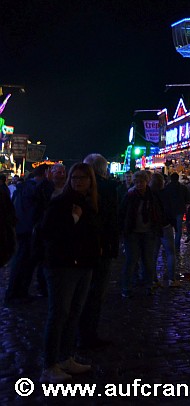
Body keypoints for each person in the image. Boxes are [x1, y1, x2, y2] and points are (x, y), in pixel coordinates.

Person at [37, 162, 100, 383]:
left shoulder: (89, 202)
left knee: (74, 313)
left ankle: (65, 357)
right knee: (59, 314)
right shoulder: (61, 202)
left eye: (83, 178)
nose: (78, 181)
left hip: (83, 264)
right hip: (62, 265)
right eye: (75, 178)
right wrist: (72, 220)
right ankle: (49, 365)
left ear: (91, 181)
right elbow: (47, 232)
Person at [78, 153, 119, 350]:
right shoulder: (109, 189)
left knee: (83, 291)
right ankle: (88, 334)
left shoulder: (80, 189)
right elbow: (112, 220)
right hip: (101, 246)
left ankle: (78, 333)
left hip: (82, 246)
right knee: (95, 293)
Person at [5, 165, 50, 303]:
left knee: (23, 261)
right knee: (22, 262)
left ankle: (19, 292)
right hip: (28, 229)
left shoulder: (25, 187)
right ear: (45, 173)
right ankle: (16, 293)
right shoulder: (34, 187)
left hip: (23, 227)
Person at [117, 170, 163, 297]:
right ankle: (127, 287)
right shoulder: (130, 195)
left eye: (141, 182)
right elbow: (122, 212)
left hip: (148, 232)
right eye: (136, 182)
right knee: (131, 260)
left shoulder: (152, 196)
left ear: (146, 182)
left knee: (148, 260)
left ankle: (148, 285)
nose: (139, 185)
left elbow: (157, 212)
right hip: (132, 232)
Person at [159, 172, 188, 282]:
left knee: (170, 229)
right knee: (178, 229)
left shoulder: (167, 188)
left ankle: (170, 245)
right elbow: (187, 198)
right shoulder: (182, 187)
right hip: (179, 210)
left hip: (170, 211)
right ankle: (176, 245)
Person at [149, 173, 176, 287]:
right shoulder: (166, 194)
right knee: (170, 253)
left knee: (153, 254)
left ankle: (153, 279)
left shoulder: (149, 194)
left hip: (154, 227)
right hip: (165, 226)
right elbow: (170, 210)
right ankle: (171, 279)